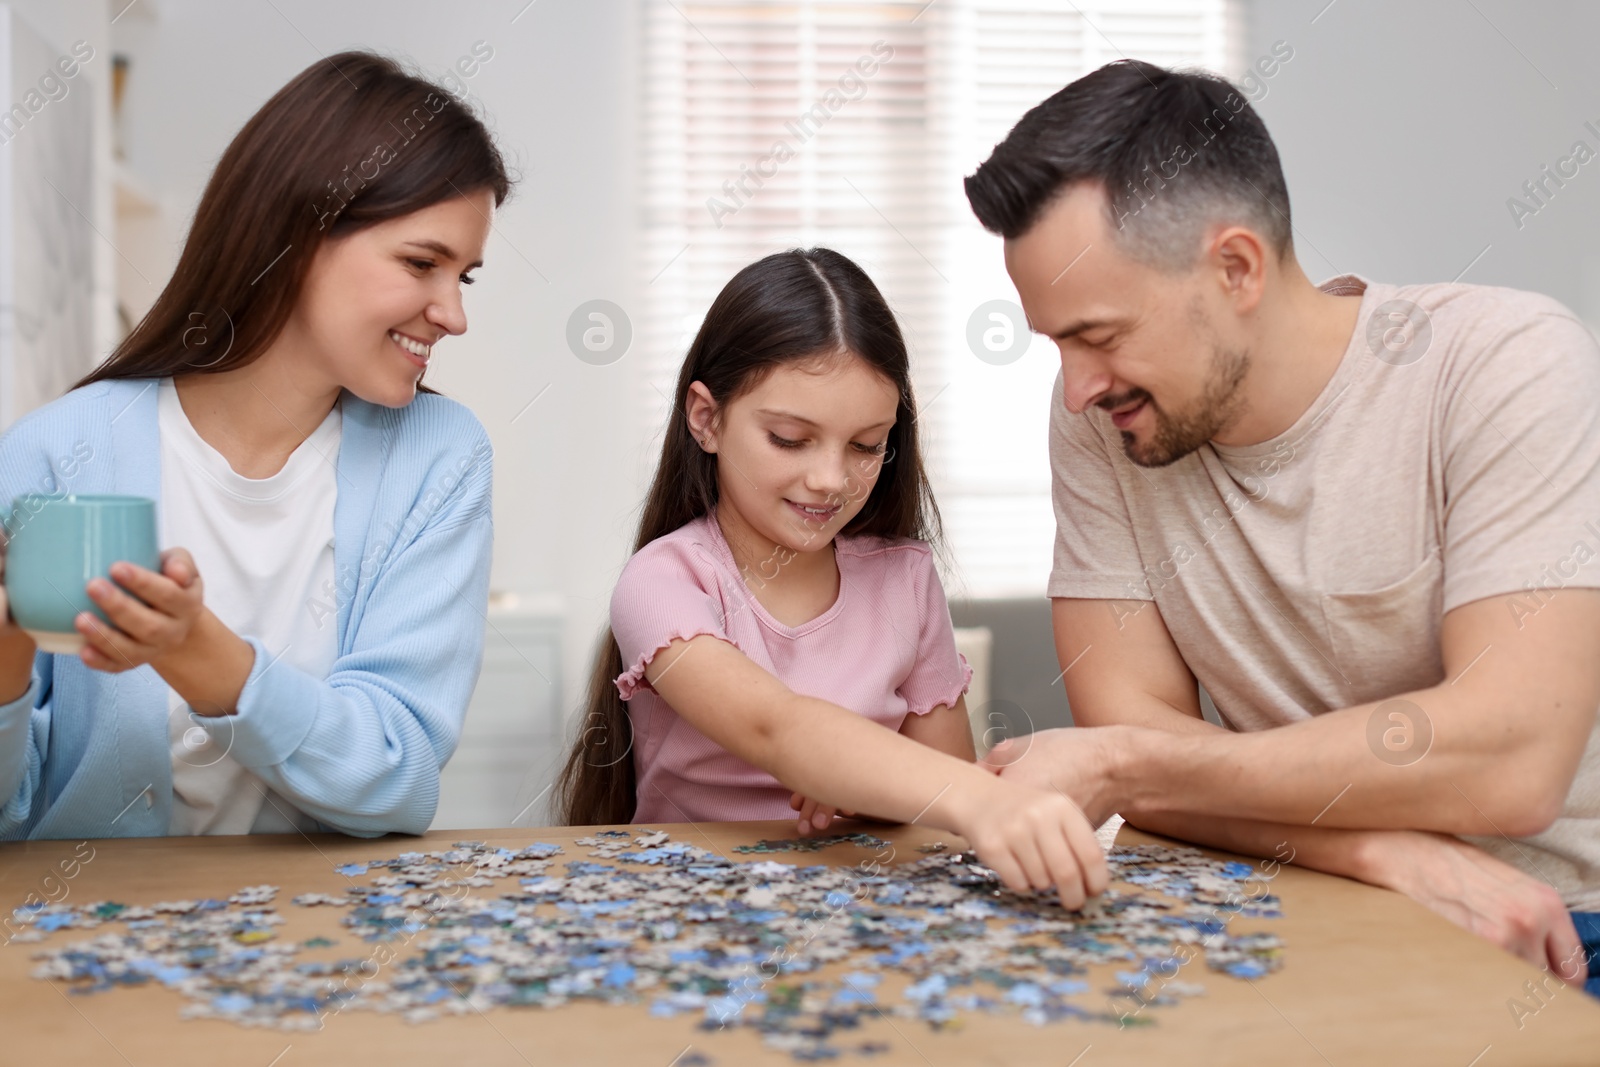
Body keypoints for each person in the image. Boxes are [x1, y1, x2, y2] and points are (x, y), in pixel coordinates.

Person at [963, 58, 1600, 986]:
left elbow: (1511, 760)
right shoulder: (1104, 423)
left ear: (1236, 268)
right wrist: (1379, 850)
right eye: (1057, 342)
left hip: (1555, 926)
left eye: (1098, 335)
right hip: (1275, 902)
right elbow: (1134, 749)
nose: (1077, 386)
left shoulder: (1505, 365)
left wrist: (1128, 763)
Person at [0, 51, 510, 839]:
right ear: (296, 235)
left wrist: (201, 652)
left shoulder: (439, 459)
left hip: (326, 942)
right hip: (82, 936)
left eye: (464, 276)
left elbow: (398, 775)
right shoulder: (56, 450)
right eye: (421, 263)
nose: (452, 313)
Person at [554, 248, 1107, 905]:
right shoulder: (662, 581)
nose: (830, 478)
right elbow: (776, 727)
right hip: (689, 912)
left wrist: (868, 791)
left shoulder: (904, 578)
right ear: (706, 418)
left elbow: (943, 788)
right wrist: (977, 796)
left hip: (859, 910)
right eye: (791, 438)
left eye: (866, 444)